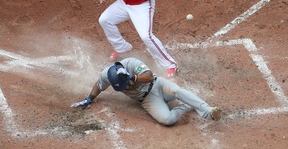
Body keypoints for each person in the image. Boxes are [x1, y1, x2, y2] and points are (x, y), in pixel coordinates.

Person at [71, 57, 222, 126]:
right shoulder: (107, 75)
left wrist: (134, 77)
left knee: (176, 90)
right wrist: (89, 98)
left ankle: (208, 111)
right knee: (167, 120)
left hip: (158, 85)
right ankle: (186, 106)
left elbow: (149, 77)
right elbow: (98, 85)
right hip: (147, 100)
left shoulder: (131, 63)